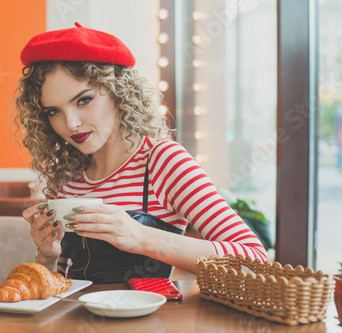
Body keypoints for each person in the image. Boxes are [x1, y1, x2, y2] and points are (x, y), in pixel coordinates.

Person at [17, 23, 268, 284]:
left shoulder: (163, 162)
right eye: (53, 111)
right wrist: (47, 256)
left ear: (118, 93)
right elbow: (56, 286)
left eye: (84, 100)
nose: (71, 123)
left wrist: (142, 237)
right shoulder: (65, 177)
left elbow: (255, 264)